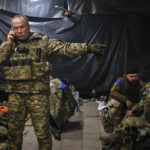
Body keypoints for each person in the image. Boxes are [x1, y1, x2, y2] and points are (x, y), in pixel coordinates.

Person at [0, 15, 107, 150]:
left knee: (42, 132)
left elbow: (65, 48)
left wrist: (87, 48)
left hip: (37, 95)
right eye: (16, 28)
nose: (19, 31)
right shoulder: (8, 46)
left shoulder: (42, 42)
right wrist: (9, 45)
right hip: (15, 95)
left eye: (22, 27)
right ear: (12, 29)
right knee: (14, 133)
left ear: (29, 27)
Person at [100, 65, 150, 150]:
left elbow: (145, 101)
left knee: (130, 120)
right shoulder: (120, 81)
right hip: (124, 103)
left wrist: (134, 109)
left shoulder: (143, 84)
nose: (134, 78)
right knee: (115, 107)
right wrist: (126, 100)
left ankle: (118, 137)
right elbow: (113, 92)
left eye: (135, 76)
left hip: (137, 106)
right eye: (131, 76)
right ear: (126, 75)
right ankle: (115, 133)